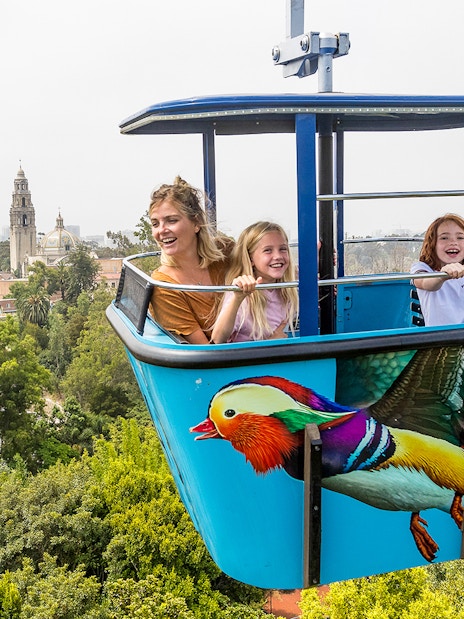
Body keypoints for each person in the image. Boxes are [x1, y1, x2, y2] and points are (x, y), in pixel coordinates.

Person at [149, 176, 232, 343]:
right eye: (155, 224)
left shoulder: (226, 252)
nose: (161, 231)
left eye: (171, 221)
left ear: (196, 223)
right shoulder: (164, 286)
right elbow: (205, 352)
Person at [211, 221, 298, 343]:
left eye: (283, 249)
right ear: (250, 258)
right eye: (268, 250)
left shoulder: (288, 285)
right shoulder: (243, 293)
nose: (278, 256)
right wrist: (237, 299)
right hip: (250, 359)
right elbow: (217, 339)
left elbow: (311, 275)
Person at [411, 213, 464, 326]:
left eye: (460, 237)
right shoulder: (422, 268)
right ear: (432, 244)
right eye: (444, 238)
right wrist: (442, 276)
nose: (453, 242)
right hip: (440, 339)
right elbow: (425, 282)